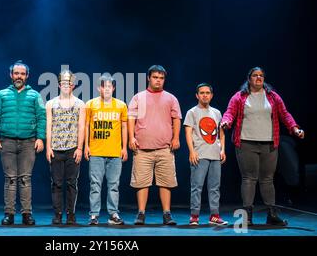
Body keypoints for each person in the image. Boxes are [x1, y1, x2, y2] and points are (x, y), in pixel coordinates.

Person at [221, 67, 305, 226]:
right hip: (246, 143)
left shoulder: (273, 97)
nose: (259, 78)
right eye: (255, 76)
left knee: (267, 179)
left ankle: (272, 215)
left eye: (261, 76)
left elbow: (285, 114)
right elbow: (230, 112)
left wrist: (294, 128)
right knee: (249, 178)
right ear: (249, 79)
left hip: (269, 143)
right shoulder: (240, 97)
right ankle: (247, 217)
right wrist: (226, 122)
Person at [0, 60, 46, 225]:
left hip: (29, 142)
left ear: (27, 76)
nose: (19, 76)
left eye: (22, 73)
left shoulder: (35, 95)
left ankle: (27, 214)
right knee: (10, 179)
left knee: (25, 179)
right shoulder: (1, 95)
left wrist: (41, 138)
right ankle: (9, 214)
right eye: (16, 73)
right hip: (7, 142)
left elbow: (41, 117)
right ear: (11, 75)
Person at [128, 65, 181, 225]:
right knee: (141, 182)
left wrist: (176, 138)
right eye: (155, 77)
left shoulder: (171, 98)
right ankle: (141, 213)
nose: (158, 80)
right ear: (148, 78)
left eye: (161, 78)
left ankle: (167, 214)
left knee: (165, 182)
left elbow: (176, 118)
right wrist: (131, 137)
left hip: (165, 148)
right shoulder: (138, 97)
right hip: (142, 148)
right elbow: (131, 118)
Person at [85, 74, 128, 225]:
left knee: (114, 185)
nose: (107, 89)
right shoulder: (90, 104)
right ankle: (94, 215)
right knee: (95, 185)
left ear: (114, 88)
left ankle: (113, 214)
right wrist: (86, 146)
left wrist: (124, 148)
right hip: (96, 152)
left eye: (110, 86)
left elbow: (124, 127)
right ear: (99, 88)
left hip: (115, 152)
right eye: (104, 86)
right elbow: (86, 126)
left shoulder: (121, 105)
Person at [184, 83, 227, 226]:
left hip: (215, 154)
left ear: (211, 95)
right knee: (197, 186)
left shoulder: (217, 112)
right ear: (197, 95)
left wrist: (222, 150)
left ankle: (214, 215)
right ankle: (194, 216)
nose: (205, 95)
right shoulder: (192, 112)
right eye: (201, 93)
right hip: (199, 155)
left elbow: (221, 133)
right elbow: (188, 133)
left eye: (207, 93)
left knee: (215, 186)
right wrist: (192, 151)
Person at [45, 70, 85, 225]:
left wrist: (80, 148)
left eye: (69, 83)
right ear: (59, 84)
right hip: (55, 148)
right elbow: (49, 125)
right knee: (56, 183)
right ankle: (57, 213)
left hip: (72, 148)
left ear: (73, 85)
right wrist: (48, 147)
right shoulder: (51, 103)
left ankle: (70, 214)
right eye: (63, 83)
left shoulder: (80, 104)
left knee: (71, 183)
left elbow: (81, 127)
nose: (66, 86)